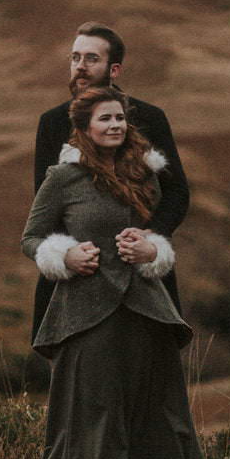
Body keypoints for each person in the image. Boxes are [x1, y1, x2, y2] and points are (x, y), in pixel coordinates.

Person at [21, 85, 220, 459]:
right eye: (105, 119)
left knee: (160, 411)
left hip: (145, 309)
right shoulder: (62, 178)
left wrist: (153, 249)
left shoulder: (143, 173)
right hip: (85, 312)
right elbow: (31, 238)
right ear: (84, 127)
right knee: (97, 415)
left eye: (119, 118)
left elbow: (157, 230)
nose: (115, 126)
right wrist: (65, 255)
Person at [32, 22, 189, 341]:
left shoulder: (149, 118)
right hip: (80, 274)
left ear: (114, 69)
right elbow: (44, 204)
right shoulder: (52, 123)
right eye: (75, 58)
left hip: (139, 268)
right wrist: (68, 255)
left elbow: (176, 192)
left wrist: (150, 240)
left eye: (91, 59)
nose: (80, 66)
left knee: (148, 364)